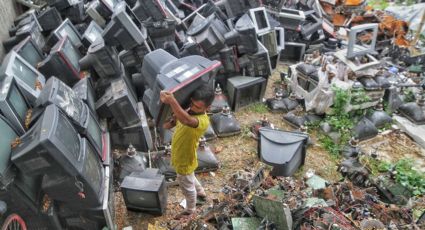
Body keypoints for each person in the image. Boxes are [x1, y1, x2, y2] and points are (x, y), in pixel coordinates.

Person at [160, 85, 215, 218]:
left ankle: (190, 209)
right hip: (182, 154)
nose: (193, 107)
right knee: (190, 176)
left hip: (184, 158)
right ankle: (201, 192)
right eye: (192, 103)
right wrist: (170, 119)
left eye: (197, 107)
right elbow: (167, 125)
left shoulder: (202, 121)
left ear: (207, 108)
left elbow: (186, 120)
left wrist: (172, 101)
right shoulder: (188, 111)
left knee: (186, 185)